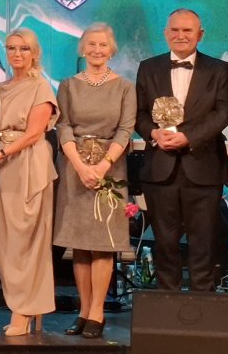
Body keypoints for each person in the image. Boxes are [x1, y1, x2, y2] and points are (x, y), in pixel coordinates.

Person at [135, 9, 228, 291]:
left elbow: (224, 111)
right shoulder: (148, 67)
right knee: (164, 242)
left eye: (187, 30)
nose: (181, 35)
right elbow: (139, 113)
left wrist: (188, 137)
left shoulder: (218, 69)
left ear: (200, 35)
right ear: (165, 33)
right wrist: (153, 133)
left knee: (203, 241)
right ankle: (168, 302)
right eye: (175, 30)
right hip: (160, 166)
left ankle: (202, 304)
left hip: (203, 165)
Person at [53, 23, 136, 339]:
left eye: (102, 45)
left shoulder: (125, 87)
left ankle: (97, 313)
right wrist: (79, 166)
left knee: (102, 244)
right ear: (82, 48)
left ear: (111, 50)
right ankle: (83, 311)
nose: (97, 50)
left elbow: (126, 130)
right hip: (74, 167)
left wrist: (102, 166)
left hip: (109, 169)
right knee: (80, 244)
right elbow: (63, 126)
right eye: (91, 44)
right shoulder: (68, 85)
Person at [0, 28, 58, 336]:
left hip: (27, 163)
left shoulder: (41, 87)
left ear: (35, 53)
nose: (17, 54)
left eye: (24, 48)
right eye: (11, 48)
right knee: (5, 242)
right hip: (1, 166)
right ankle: (21, 303)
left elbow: (34, 133)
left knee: (27, 239)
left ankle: (24, 310)